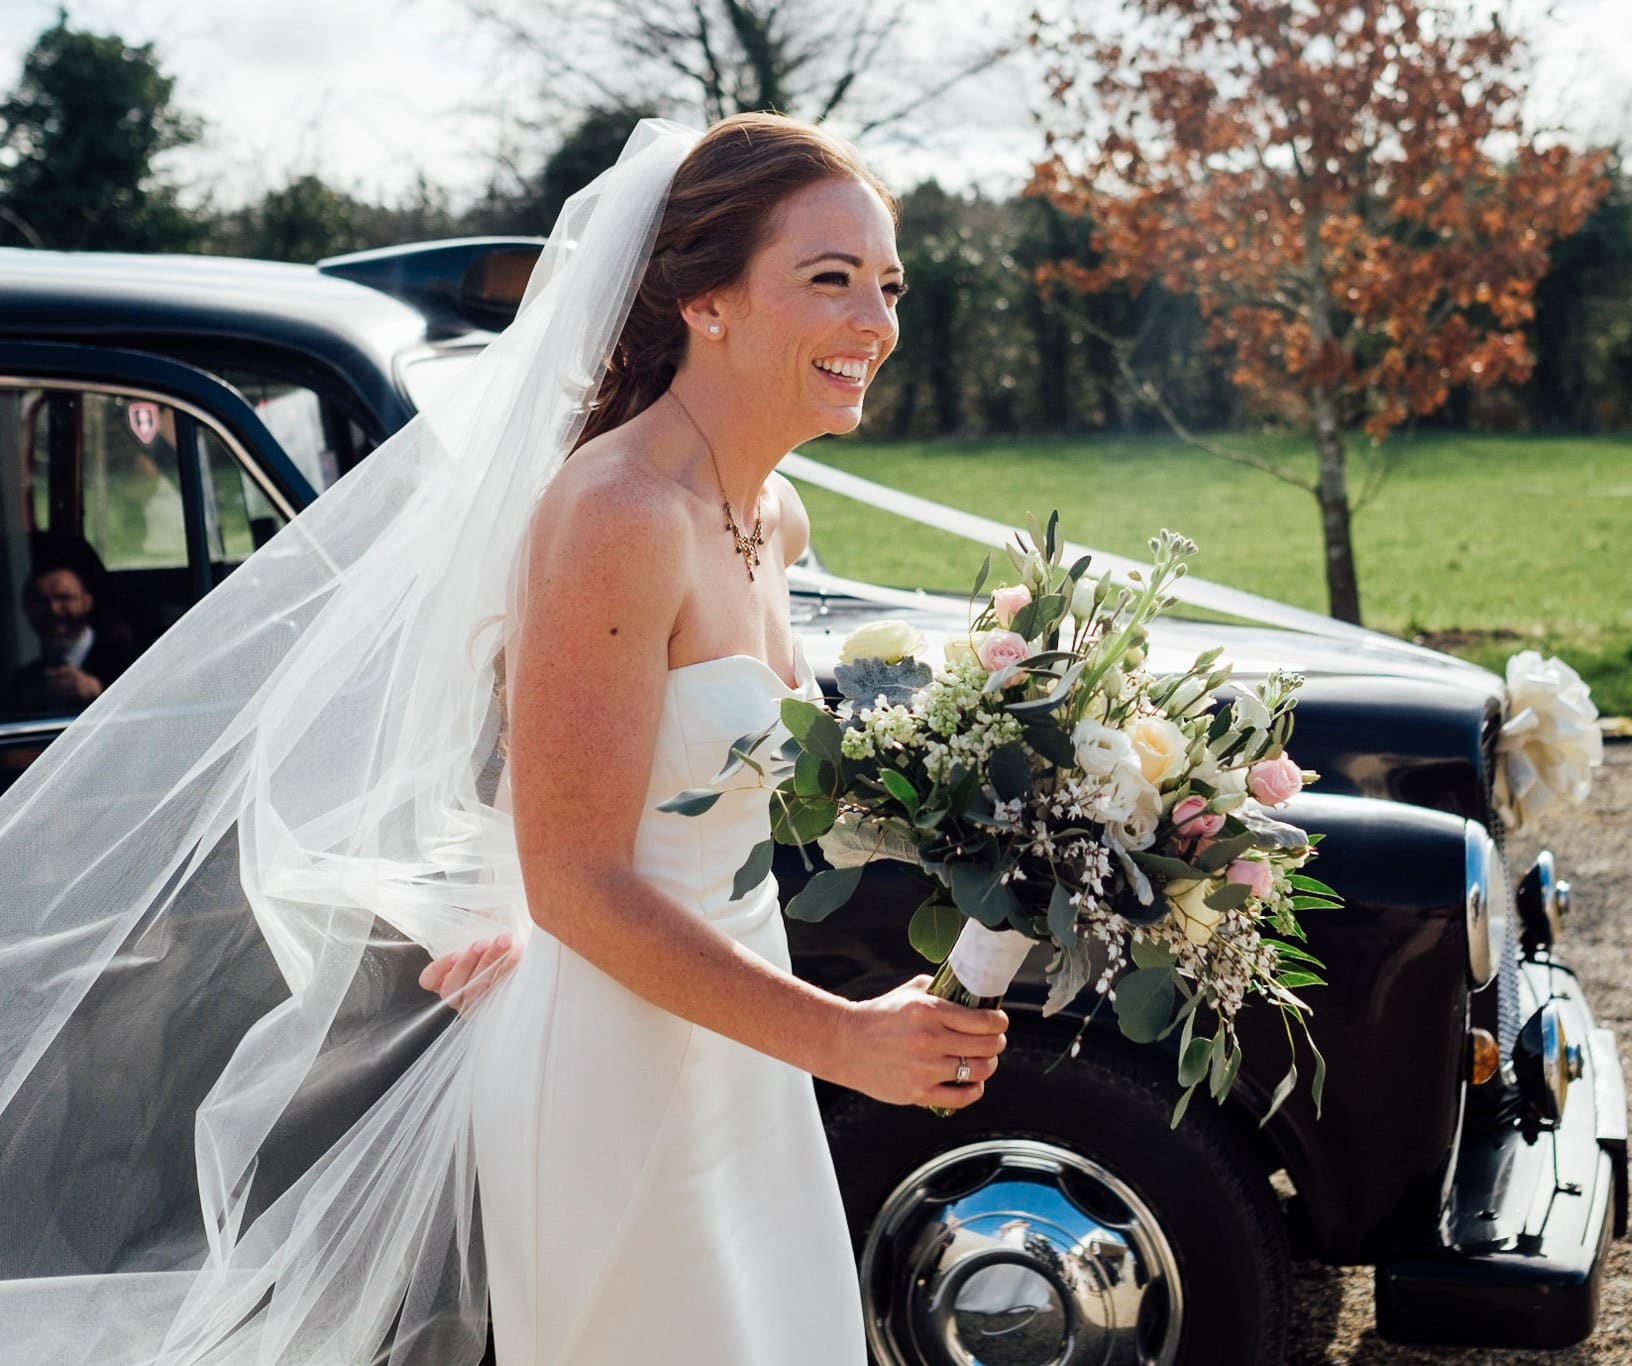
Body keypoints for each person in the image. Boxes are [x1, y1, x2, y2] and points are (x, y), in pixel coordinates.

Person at [0, 115, 1003, 1366]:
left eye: (887, 284)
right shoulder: (614, 513)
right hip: (619, 1075)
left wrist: (1011, 793)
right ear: (704, 301)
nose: (875, 321)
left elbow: (704, 790)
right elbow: (577, 878)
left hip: (738, 1062)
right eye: (829, 279)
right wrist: (843, 1038)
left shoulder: (771, 515)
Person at [1, 535, 139, 716]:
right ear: (26, 608)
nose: (53, 609)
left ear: (87, 602)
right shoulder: (23, 682)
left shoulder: (130, 661)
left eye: (64, 598)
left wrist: (98, 692)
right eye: (41, 601)